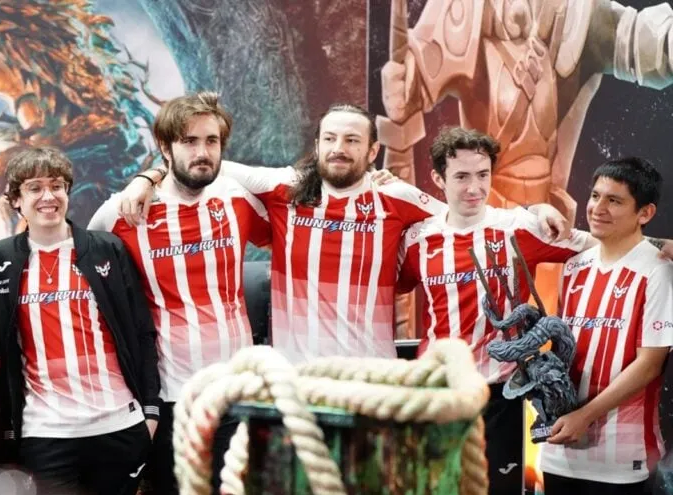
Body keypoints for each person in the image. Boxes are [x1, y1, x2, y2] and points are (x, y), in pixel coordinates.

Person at [116, 103, 569, 363]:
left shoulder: (396, 197)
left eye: (352, 140)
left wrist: (532, 210)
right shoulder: (284, 188)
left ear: (372, 151)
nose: (339, 148)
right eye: (330, 139)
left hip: (372, 382)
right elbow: (201, 164)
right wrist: (148, 177)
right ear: (316, 145)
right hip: (297, 385)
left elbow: (470, 215)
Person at [88, 92, 272, 495]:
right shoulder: (122, 212)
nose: (202, 152)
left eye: (212, 141)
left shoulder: (238, 197)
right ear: (165, 147)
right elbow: (85, 274)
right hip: (171, 397)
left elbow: (301, 198)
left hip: (235, 391)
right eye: (189, 141)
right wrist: (147, 179)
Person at [395, 127, 593, 495]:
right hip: (440, 392)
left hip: (499, 394)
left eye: (483, 175)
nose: (474, 188)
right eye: (461, 176)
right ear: (438, 179)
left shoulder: (518, 228)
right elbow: (388, 280)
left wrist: (662, 249)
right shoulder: (418, 240)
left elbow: (597, 245)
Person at [0, 146, 158, 495]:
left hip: (119, 425)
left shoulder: (106, 250)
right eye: (35, 188)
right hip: (47, 431)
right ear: (15, 200)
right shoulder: (1, 259)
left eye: (57, 186)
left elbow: (141, 331)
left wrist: (149, 414)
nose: (48, 196)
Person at [539, 157, 673, 495]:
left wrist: (585, 416)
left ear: (645, 213)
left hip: (620, 462)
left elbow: (649, 365)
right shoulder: (574, 267)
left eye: (614, 201)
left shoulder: (659, 272)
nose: (598, 208)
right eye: (595, 196)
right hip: (560, 456)